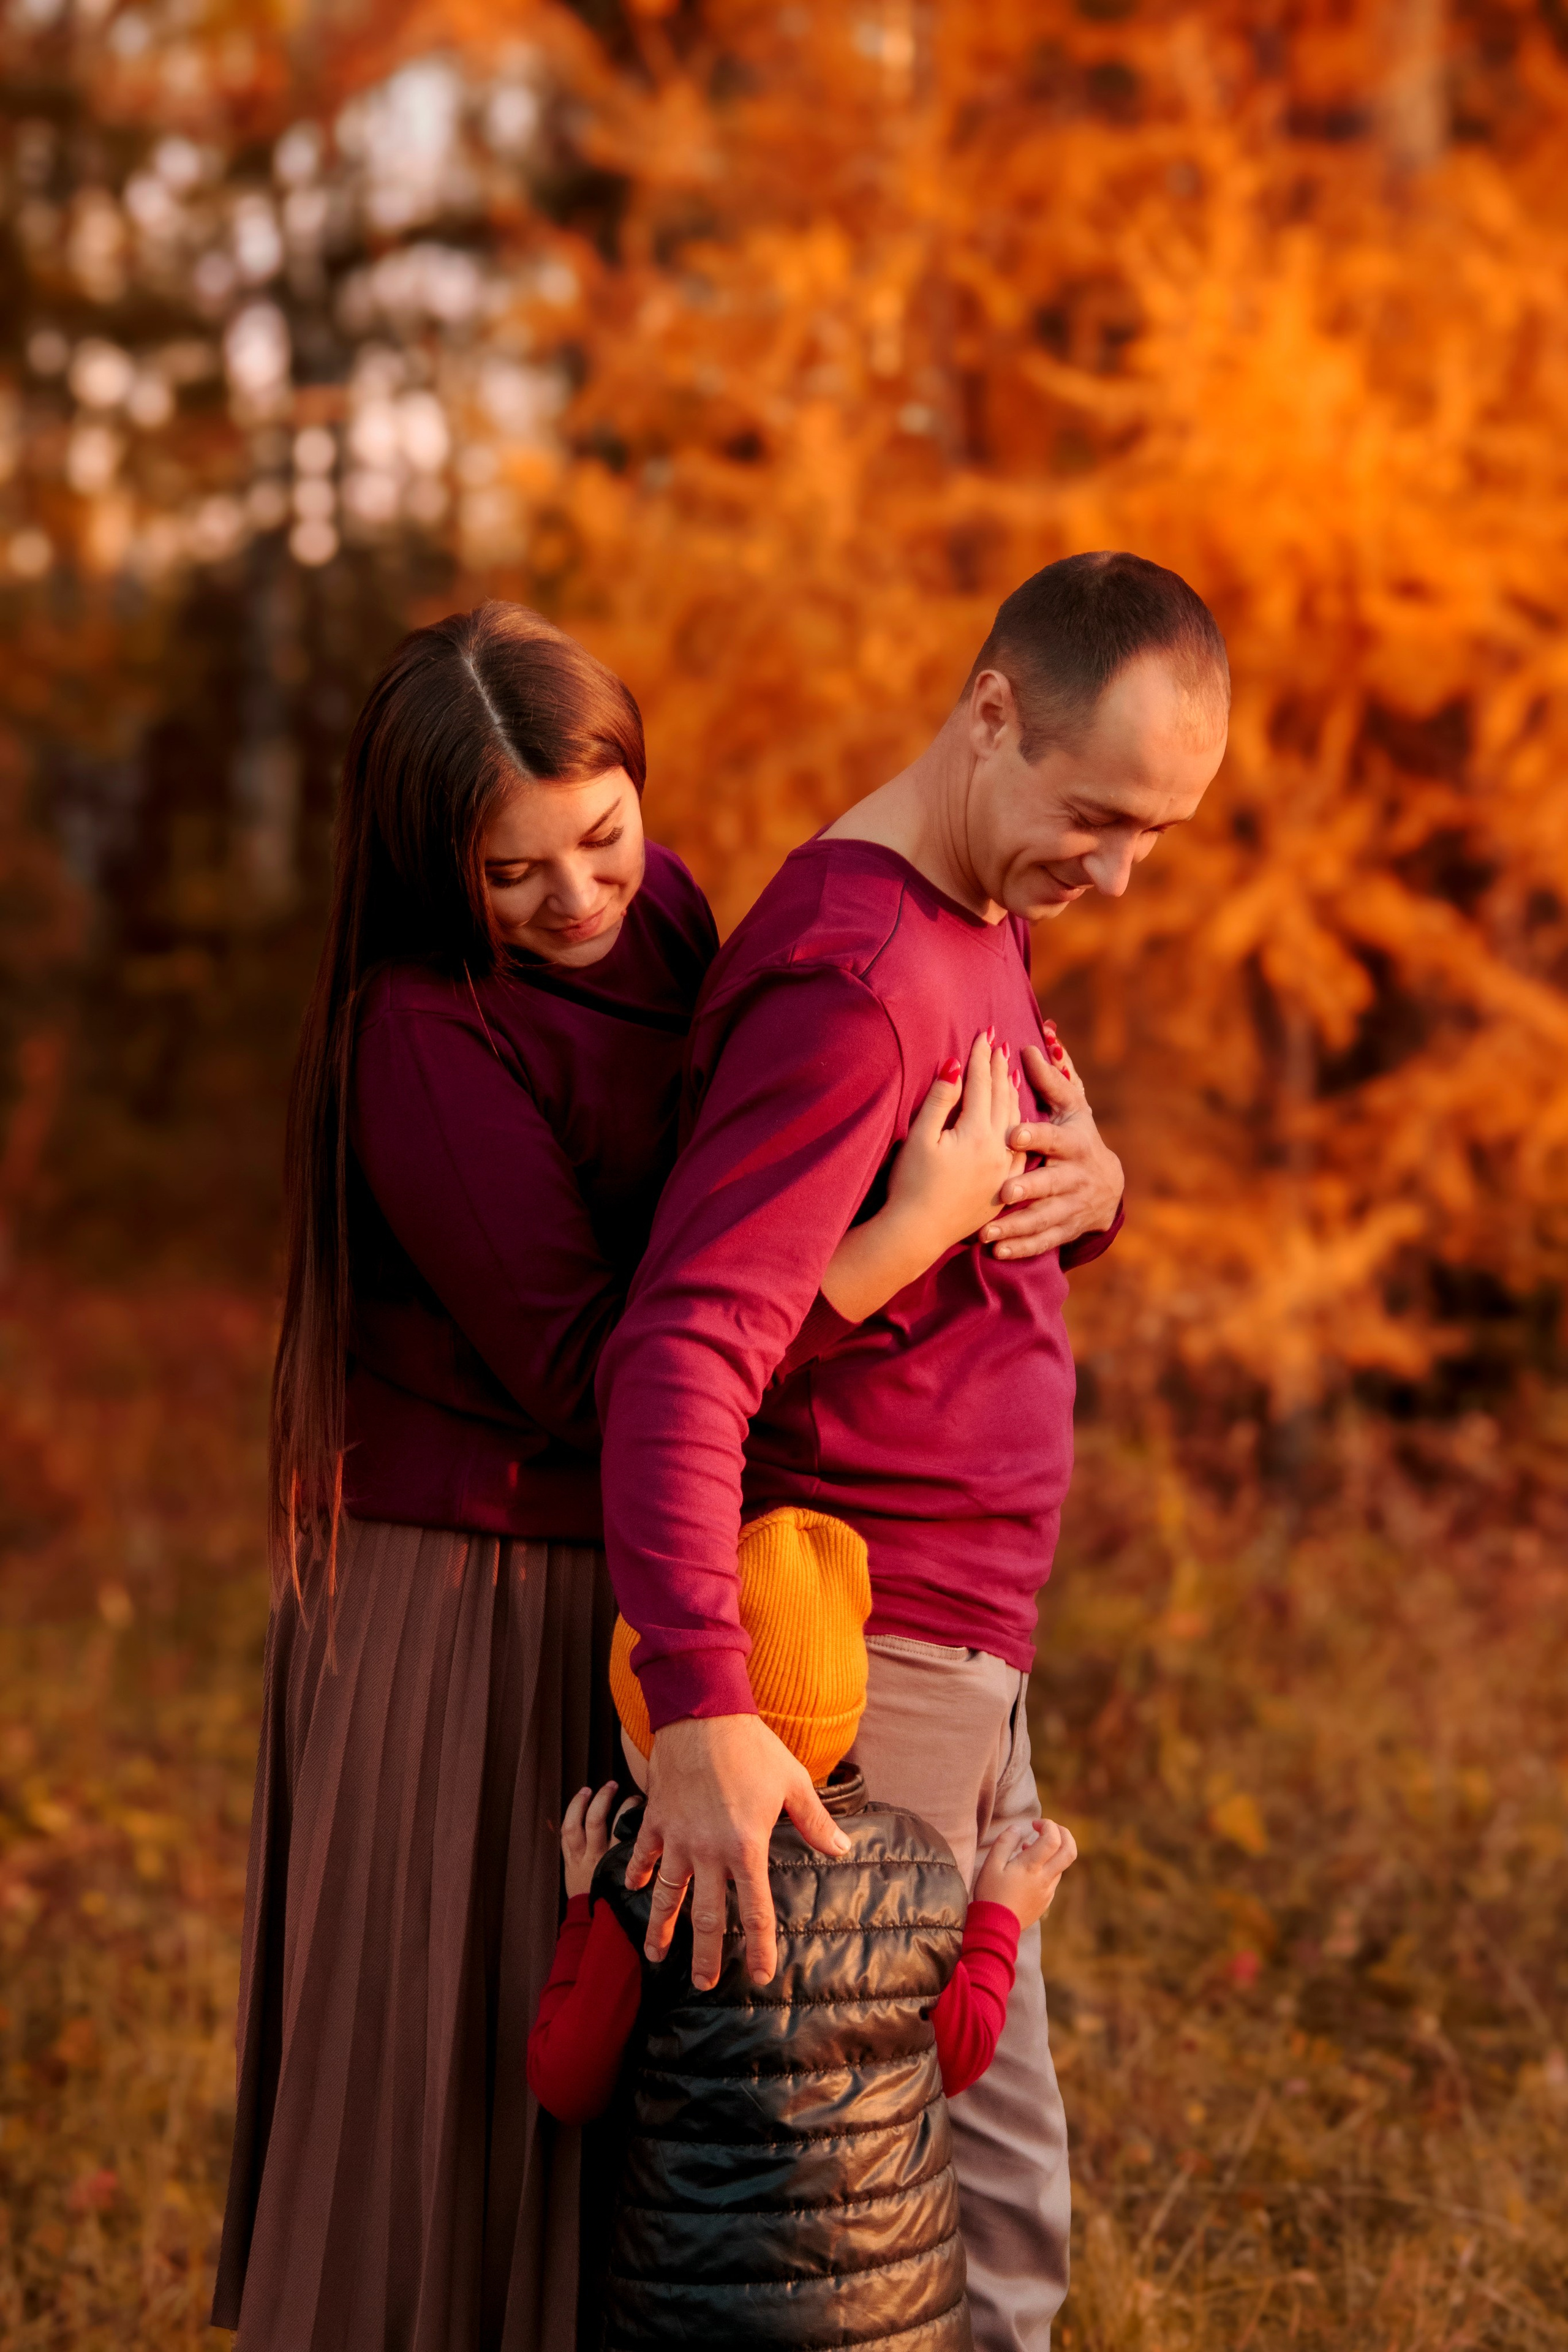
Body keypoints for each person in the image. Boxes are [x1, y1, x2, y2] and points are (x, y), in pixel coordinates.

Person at [213, 601, 1041, 2350]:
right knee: (460, 2078)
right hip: (469, 1586)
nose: (581, 900)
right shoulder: (425, 1038)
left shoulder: (670, 913)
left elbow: (751, 1204)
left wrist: (1061, 1189)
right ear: (436, 872)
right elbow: (615, 1365)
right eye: (514, 877)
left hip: (636, 1561)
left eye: (600, 836)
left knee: (631, 2085)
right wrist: (898, 1249)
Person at [595, 551, 1231, 2350]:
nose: (1117, 875)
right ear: (990, 713)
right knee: (884, 2228)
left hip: (962, 1648)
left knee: (991, 2199)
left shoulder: (978, 907)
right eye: (1098, 815)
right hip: (859, 1664)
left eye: (1160, 836)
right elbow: (684, 1349)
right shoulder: (851, 981)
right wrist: (707, 1698)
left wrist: (1090, 1202)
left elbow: (931, 1233)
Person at [526, 1507, 1076, 2351]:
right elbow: (956, 2056)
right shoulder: (920, 1868)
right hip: (893, 2326)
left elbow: (567, 2080)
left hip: (694, 2320)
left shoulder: (649, 1884)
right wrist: (998, 1916)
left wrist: (580, 1902)